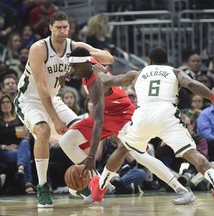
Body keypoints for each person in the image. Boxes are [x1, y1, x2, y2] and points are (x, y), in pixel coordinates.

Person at [87, 47, 214, 209]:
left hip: (143, 115)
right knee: (192, 153)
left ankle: (100, 188)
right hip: (167, 114)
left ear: (149, 62)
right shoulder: (174, 72)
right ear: (167, 62)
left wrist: (99, 71)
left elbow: (108, 82)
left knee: (122, 150)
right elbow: (192, 84)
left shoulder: (137, 73)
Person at [59, 47, 196, 206]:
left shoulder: (97, 83)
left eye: (75, 67)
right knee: (66, 141)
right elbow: (87, 59)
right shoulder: (88, 65)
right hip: (105, 114)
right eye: (72, 67)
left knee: (140, 156)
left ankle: (182, 190)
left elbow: (98, 122)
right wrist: (69, 73)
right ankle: (101, 183)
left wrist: (90, 157)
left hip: (123, 115)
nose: (73, 70)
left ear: (85, 64)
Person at [14, 10, 114, 208]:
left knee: (83, 130)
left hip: (53, 99)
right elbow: (42, 87)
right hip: (29, 100)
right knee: (43, 131)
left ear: (69, 28)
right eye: (58, 27)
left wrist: (84, 55)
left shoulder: (73, 46)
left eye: (65, 27)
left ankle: (81, 182)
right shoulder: (39, 48)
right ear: (50, 28)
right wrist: (55, 120)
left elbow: (108, 58)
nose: (62, 31)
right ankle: (42, 187)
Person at [0, 94, 34, 194]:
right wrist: (5, 147)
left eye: (7, 102)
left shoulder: (20, 120)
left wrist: (26, 136)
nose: (5, 104)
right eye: (3, 103)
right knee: (27, 155)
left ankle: (21, 168)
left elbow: (26, 138)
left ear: (12, 105)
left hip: (20, 149)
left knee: (24, 143)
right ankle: (27, 183)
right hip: (4, 152)